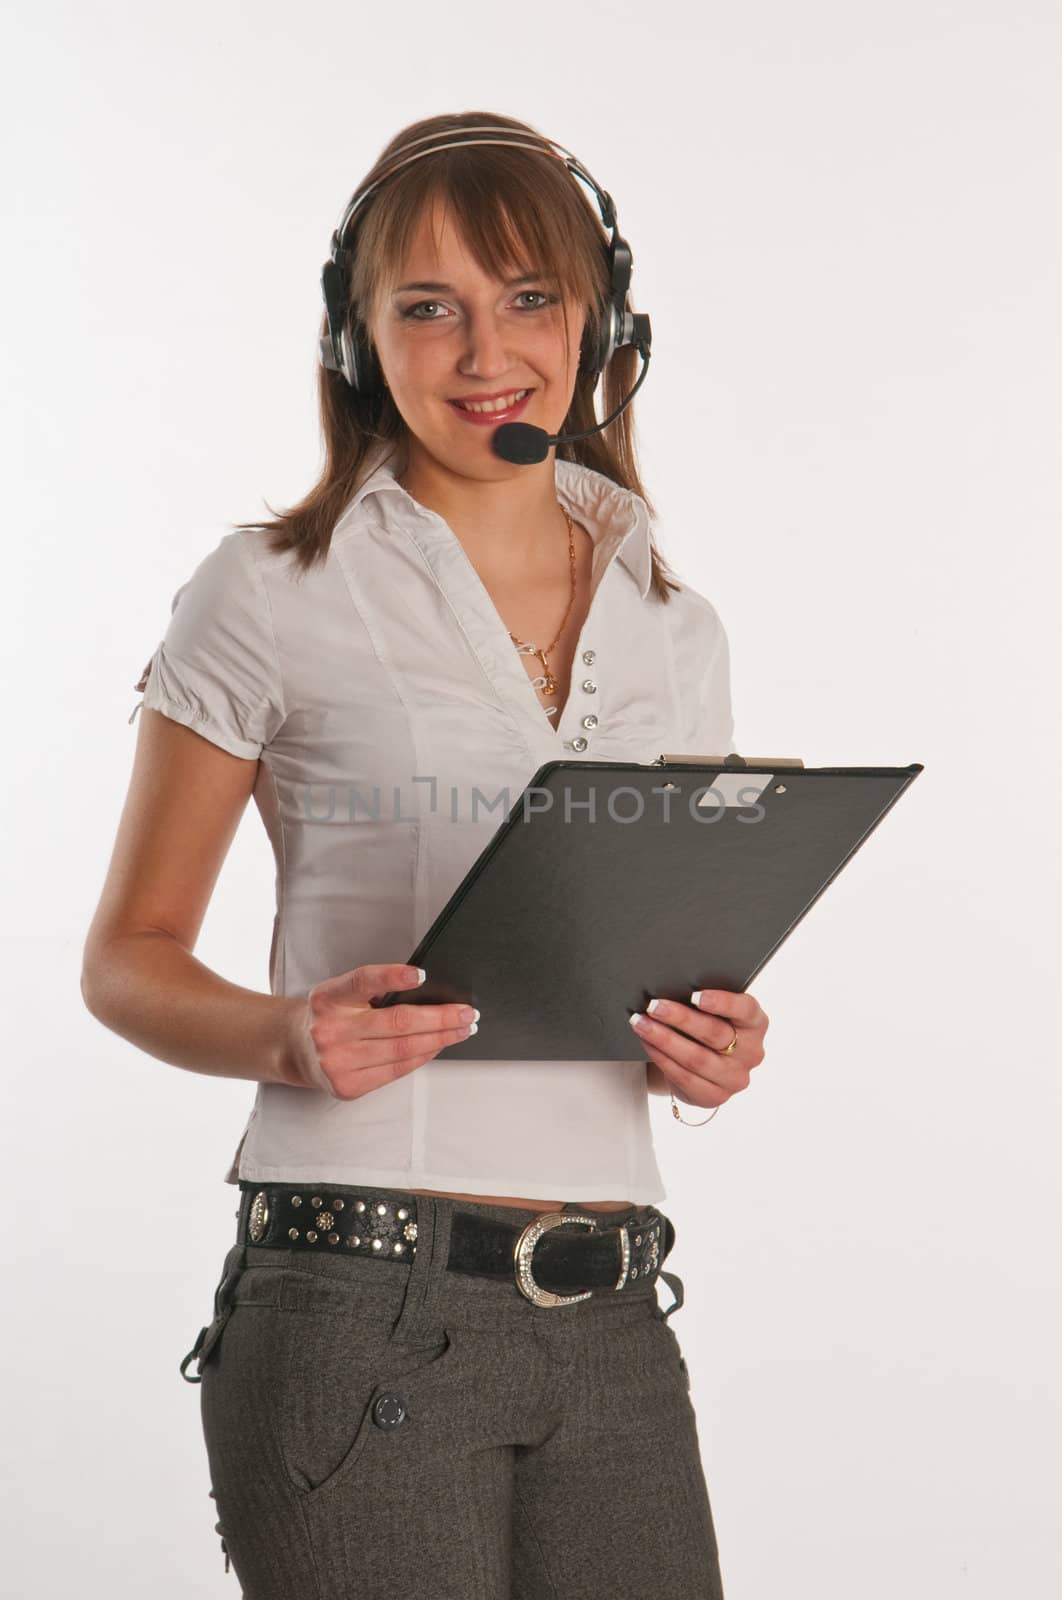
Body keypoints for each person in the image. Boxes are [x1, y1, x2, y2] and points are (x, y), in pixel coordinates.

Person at [81, 109, 769, 1599]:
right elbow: (122, 960)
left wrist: (701, 1043)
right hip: (353, 1306)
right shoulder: (270, 588)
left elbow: (638, 965)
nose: (483, 353)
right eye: (426, 308)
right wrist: (286, 1035)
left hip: (614, 1313)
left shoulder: (675, 623)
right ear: (355, 337)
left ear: (601, 324)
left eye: (528, 298)